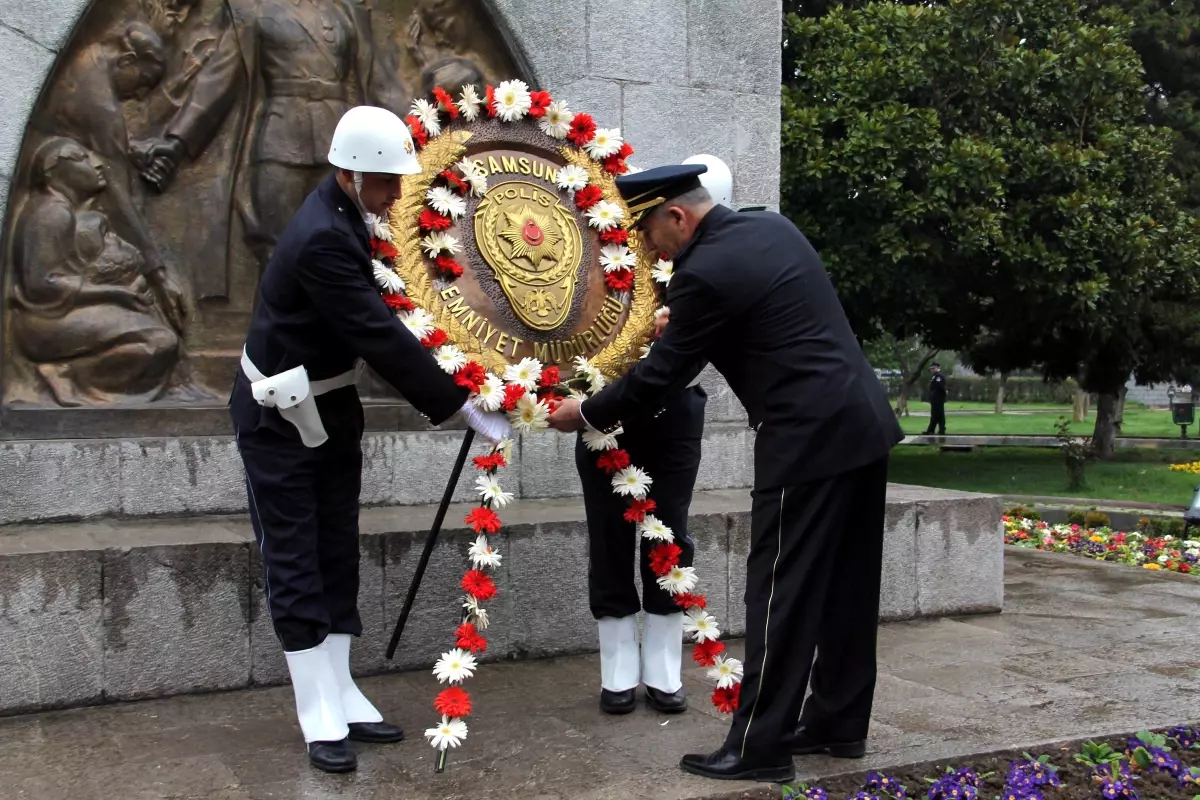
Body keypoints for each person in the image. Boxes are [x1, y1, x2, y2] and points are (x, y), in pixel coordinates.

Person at [548, 163, 904, 783]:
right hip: (861, 424)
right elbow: (763, 320)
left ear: (677, 216)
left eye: (647, 233)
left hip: (806, 441)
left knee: (780, 593)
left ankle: (760, 745)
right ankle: (838, 722)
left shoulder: (704, 272)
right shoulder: (773, 231)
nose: (645, 248)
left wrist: (585, 412)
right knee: (847, 587)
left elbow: (660, 378)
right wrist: (679, 326)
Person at [232, 105, 509, 774]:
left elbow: (400, 313)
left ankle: (342, 689)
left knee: (336, 549)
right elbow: (375, 334)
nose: (394, 195)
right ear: (350, 174)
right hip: (280, 417)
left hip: (328, 406)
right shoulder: (323, 237)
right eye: (386, 183)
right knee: (297, 556)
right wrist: (457, 403)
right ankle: (316, 709)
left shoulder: (349, 218)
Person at [575, 155, 734, 718]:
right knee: (610, 543)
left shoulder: (702, 266)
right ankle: (618, 669)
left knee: (670, 538)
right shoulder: (598, 260)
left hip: (671, 419)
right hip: (604, 420)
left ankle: (664, 669)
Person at [924, 362, 947, 435]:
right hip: (935, 398)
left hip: (938, 398)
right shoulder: (935, 376)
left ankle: (932, 430)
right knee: (938, 415)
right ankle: (939, 430)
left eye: (933, 368)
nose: (932, 370)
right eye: (931, 369)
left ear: (938, 368)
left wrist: (943, 395)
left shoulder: (939, 376)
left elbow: (941, 387)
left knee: (936, 414)